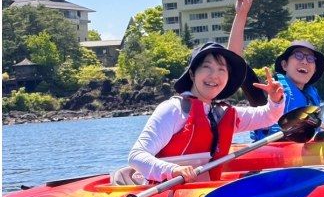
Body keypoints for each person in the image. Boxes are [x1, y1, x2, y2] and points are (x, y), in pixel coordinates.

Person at [111, 42, 285, 185]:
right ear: (193, 73)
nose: (214, 76)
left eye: (221, 70)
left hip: (203, 191)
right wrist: (171, 170)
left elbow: (268, 116)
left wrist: (276, 100)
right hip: (164, 192)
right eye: (207, 67)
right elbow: (136, 156)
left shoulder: (223, 113)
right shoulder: (173, 110)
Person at [227, 0, 324, 139]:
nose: (305, 62)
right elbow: (234, 61)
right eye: (299, 56)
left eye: (310, 58)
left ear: (314, 69)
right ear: (284, 65)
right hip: (272, 156)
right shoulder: (267, 93)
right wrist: (241, 14)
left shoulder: (310, 96)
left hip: (305, 155)